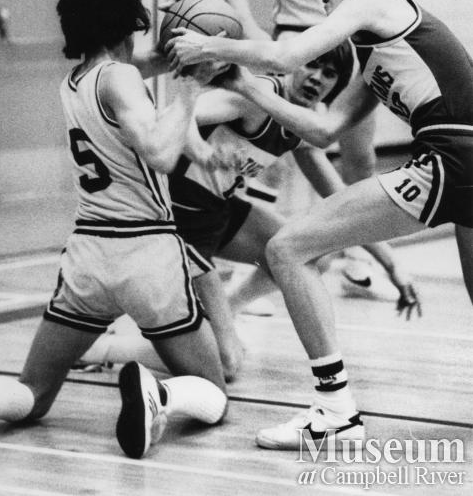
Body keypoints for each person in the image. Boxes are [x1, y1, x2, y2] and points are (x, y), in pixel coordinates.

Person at [167, 0, 473, 448]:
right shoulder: (378, 49)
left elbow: (286, 56)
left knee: (285, 248)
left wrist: (210, 44)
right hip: (461, 160)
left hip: (452, 156)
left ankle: (335, 411)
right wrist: (242, 85)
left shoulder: (374, 3)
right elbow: (323, 130)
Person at [0, 0, 228, 460]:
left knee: (32, 395)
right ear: (130, 20)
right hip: (145, 252)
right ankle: (159, 396)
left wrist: (191, 54)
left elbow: (140, 66)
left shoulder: (74, 81)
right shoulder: (120, 77)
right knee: (214, 390)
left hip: (89, 256)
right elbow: (160, 152)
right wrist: (191, 88)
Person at [76, 44, 419, 383]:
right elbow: (178, 114)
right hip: (177, 222)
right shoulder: (257, 97)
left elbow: (343, 202)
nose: (316, 77)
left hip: (217, 213)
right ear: (292, 63)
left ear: (337, 85)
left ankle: (226, 311)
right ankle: (104, 350)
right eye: (311, 64)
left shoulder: (300, 123)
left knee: (311, 250)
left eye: (329, 73)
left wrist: (393, 266)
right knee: (226, 365)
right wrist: (202, 151)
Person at [224, 0, 381, 285]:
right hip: (296, 43)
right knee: (273, 157)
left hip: (350, 45)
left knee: (359, 156)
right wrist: (255, 34)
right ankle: (250, 267)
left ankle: (356, 251)